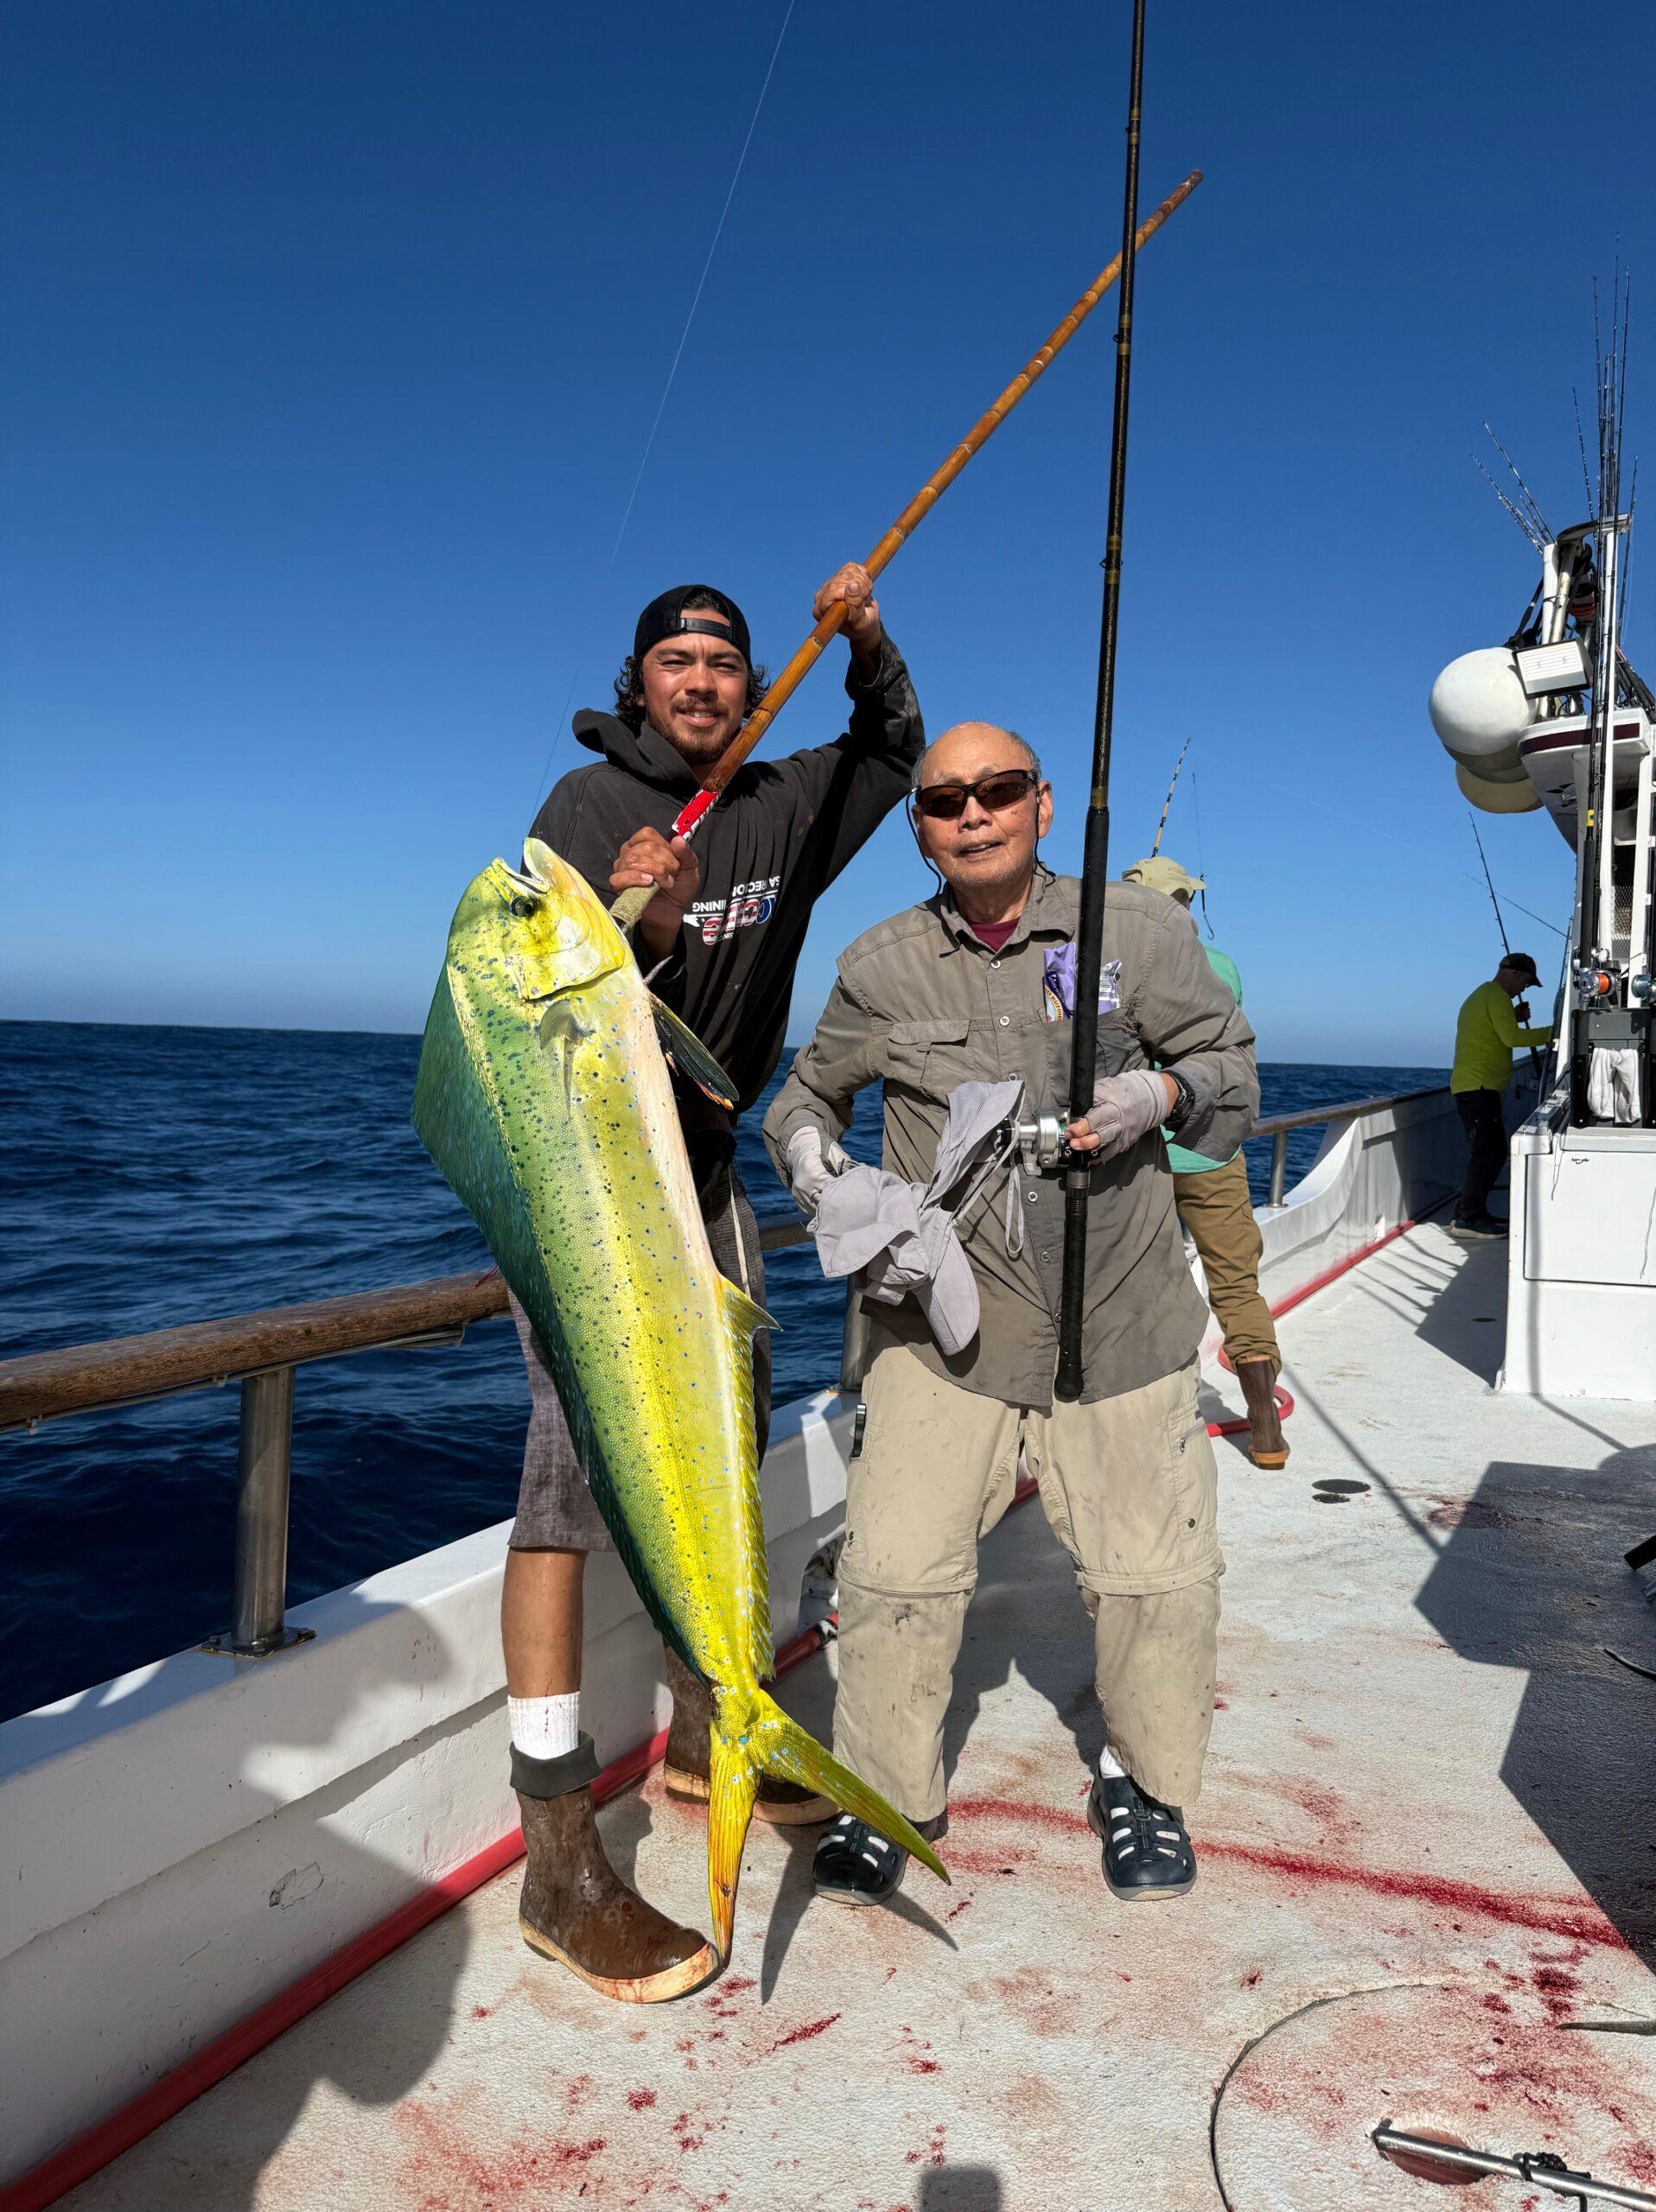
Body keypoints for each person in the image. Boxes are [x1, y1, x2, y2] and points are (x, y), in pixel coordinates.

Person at [506, 566, 924, 2002]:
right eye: (674, 663)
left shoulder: (792, 801)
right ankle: (557, 1851)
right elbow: (539, 1006)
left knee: (727, 1450)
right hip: (593, 1180)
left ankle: (703, 1733)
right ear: (641, 687)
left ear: (753, 686)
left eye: (723, 664)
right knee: (568, 1487)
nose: (698, 682)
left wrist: (864, 639)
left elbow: (894, 750)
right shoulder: (577, 812)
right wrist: (652, 930)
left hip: (713, 1165)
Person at [763, 722, 1258, 1910]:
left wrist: (1161, 1093)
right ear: (921, 829)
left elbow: (1230, 1064)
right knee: (891, 1577)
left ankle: (1145, 1788)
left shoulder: (1136, 931)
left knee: (1154, 1582)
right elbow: (804, 1096)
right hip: (944, 1333)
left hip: (1123, 1320)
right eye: (944, 801)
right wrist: (817, 1170)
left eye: (997, 791)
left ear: (1042, 804)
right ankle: (892, 1794)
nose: (972, 813)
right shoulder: (880, 962)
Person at [1119, 855, 1287, 1469]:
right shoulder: (1220, 966)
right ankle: (1265, 1425)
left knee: (1136, 1285)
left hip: (1134, 1156)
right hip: (1212, 1149)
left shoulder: (1095, 966)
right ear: (1185, 902)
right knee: (1237, 1284)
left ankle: (1141, 1427)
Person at [1449, 953, 1551, 1241]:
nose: (1524, 990)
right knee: (1487, 1152)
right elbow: (1512, 1039)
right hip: (1478, 1087)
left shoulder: (1488, 996)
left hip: (1478, 1086)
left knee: (1490, 1151)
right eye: (1526, 984)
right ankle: (1468, 1217)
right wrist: (1559, 1033)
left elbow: (1496, 1031)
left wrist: (1514, 1017)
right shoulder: (1495, 996)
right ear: (1515, 975)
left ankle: (1472, 1213)